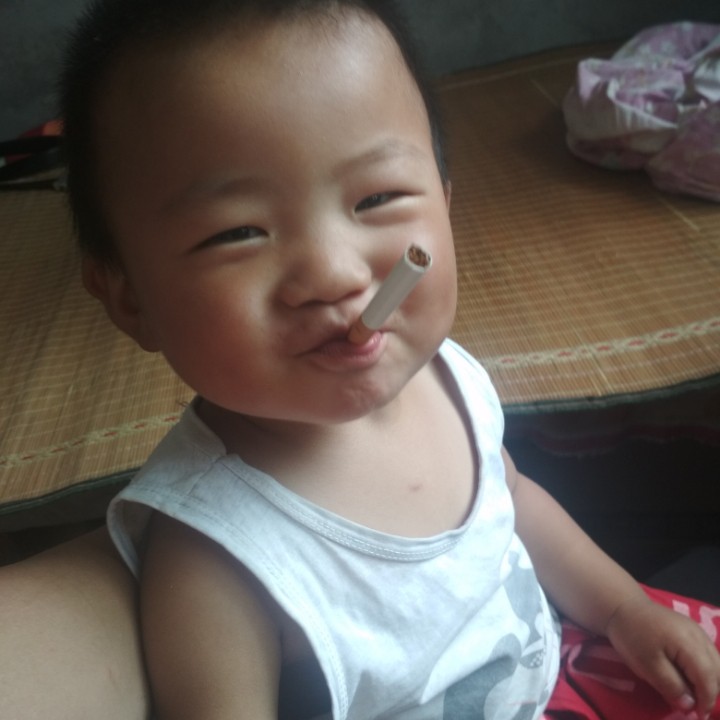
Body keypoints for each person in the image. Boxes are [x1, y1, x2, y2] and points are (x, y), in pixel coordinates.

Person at [3, 0, 720, 718]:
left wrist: (625, 609)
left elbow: (517, 502)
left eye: (377, 196)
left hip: (563, 672)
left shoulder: (449, 378)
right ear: (128, 298)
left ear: (444, 202)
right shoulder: (217, 555)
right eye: (238, 232)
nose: (335, 274)